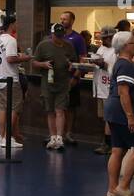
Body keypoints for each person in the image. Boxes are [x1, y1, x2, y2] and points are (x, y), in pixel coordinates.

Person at [103, 31, 134, 196]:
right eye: (132, 43)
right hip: (123, 112)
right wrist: (130, 116)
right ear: (125, 46)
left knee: (118, 149)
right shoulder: (125, 65)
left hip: (114, 112)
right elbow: (124, 92)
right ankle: (122, 187)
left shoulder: (122, 64)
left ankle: (112, 190)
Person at [32, 22, 78, 152]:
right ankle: (52, 137)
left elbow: (74, 62)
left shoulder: (69, 46)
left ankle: (59, 138)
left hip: (63, 83)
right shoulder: (43, 45)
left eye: (61, 35)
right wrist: (44, 64)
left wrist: (71, 66)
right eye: (57, 36)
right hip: (48, 83)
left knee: (60, 110)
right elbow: (34, 62)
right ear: (52, 34)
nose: (59, 38)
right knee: (50, 111)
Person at [0, 15, 27, 149]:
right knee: (14, 109)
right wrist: (24, 58)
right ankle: (7, 137)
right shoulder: (11, 40)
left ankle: (2, 137)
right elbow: (11, 59)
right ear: (12, 24)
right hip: (10, 79)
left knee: (2, 108)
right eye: (16, 23)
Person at [58, 10, 88, 145]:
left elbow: (82, 59)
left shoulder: (77, 38)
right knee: (58, 107)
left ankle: (68, 133)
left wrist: (76, 76)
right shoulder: (57, 37)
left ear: (72, 21)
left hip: (71, 77)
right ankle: (57, 133)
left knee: (70, 107)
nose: (62, 21)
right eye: (61, 19)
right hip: (58, 77)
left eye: (65, 19)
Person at [91, 26, 118, 155]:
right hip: (100, 87)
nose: (103, 41)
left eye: (106, 38)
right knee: (103, 118)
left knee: (109, 118)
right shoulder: (101, 48)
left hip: (109, 88)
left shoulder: (117, 51)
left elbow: (115, 69)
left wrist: (103, 64)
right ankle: (105, 141)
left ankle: (109, 144)